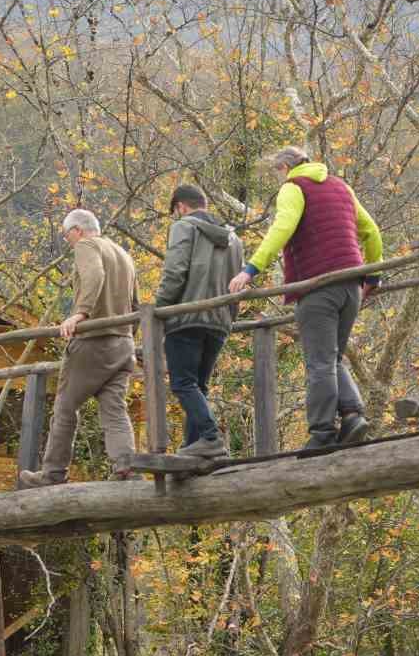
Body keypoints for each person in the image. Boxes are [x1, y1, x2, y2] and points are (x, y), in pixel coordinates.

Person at [228, 147, 384, 449]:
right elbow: (372, 231)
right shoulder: (341, 187)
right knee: (332, 356)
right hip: (351, 284)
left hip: (318, 286)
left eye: (277, 173)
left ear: (285, 167)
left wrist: (250, 269)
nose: (278, 179)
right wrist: (373, 277)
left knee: (319, 362)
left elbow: (282, 228)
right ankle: (352, 415)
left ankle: (322, 433)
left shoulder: (293, 187)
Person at [17, 209, 140, 489]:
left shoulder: (87, 245)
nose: (68, 241)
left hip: (92, 342)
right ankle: (126, 467)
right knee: (114, 410)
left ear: (78, 230)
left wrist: (80, 314)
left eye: (66, 235)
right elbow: (135, 303)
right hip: (122, 344)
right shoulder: (123, 254)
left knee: (64, 408)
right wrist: (127, 337)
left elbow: (94, 275)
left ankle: (52, 474)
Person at [154, 183, 244, 458]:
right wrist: (229, 317)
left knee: (182, 383)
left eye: (176, 212)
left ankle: (210, 436)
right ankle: (195, 448)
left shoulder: (184, 227)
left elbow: (175, 272)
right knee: (198, 386)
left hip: (187, 318)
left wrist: (160, 310)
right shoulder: (234, 240)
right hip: (219, 320)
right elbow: (238, 282)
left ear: (181, 206)